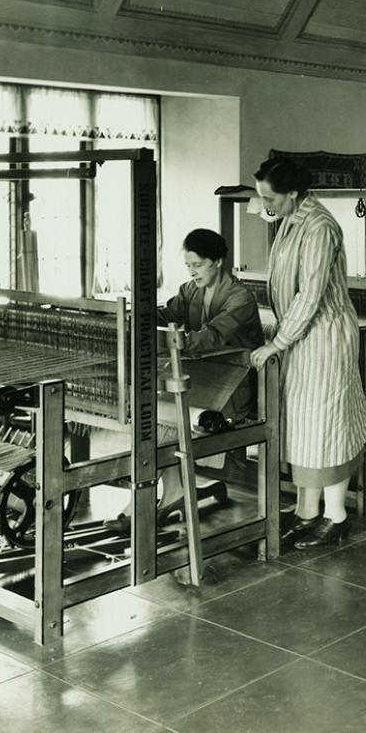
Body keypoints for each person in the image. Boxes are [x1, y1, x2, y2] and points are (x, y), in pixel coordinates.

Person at [249, 156, 366, 549]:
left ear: (293, 193)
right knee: (301, 428)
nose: (266, 205)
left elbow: (310, 294)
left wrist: (277, 343)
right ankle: (306, 512)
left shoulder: (319, 226)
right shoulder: (290, 220)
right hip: (300, 335)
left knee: (327, 427)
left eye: (271, 197)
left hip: (325, 337)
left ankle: (336, 517)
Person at [108, 228, 264, 533]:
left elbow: (213, 336)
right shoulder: (190, 290)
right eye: (188, 266)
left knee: (165, 416)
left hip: (237, 383)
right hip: (204, 377)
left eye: (199, 265)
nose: (193, 272)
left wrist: (168, 340)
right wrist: (135, 318)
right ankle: (174, 490)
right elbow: (168, 313)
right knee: (158, 412)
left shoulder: (240, 297)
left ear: (218, 261)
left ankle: (165, 493)